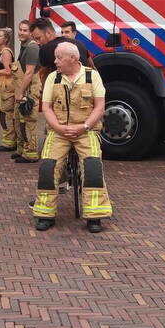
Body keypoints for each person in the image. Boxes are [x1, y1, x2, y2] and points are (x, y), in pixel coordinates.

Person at [32, 42, 112, 233]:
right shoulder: (53, 77)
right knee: (48, 165)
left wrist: (84, 127)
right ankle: (45, 214)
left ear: (73, 59)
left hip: (86, 131)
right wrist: (58, 127)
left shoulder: (92, 76)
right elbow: (47, 107)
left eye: (59, 58)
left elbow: (100, 107)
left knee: (92, 165)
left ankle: (94, 216)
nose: (55, 61)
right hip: (59, 132)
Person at [13, 19, 42, 164]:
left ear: (31, 32)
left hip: (29, 90)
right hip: (22, 88)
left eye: (25, 30)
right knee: (19, 121)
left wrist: (21, 92)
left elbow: (29, 72)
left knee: (29, 121)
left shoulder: (32, 48)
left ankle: (31, 154)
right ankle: (23, 150)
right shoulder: (23, 46)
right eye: (20, 29)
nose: (21, 32)